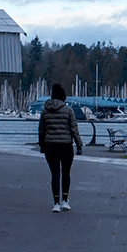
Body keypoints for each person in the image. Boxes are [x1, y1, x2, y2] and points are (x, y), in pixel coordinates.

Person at [38, 83, 83, 212]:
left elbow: (41, 130)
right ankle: (65, 200)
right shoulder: (69, 111)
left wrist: (42, 146)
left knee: (55, 174)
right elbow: (74, 130)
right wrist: (79, 145)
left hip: (50, 146)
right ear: (63, 97)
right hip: (65, 146)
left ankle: (56, 202)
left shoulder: (45, 111)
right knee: (66, 173)